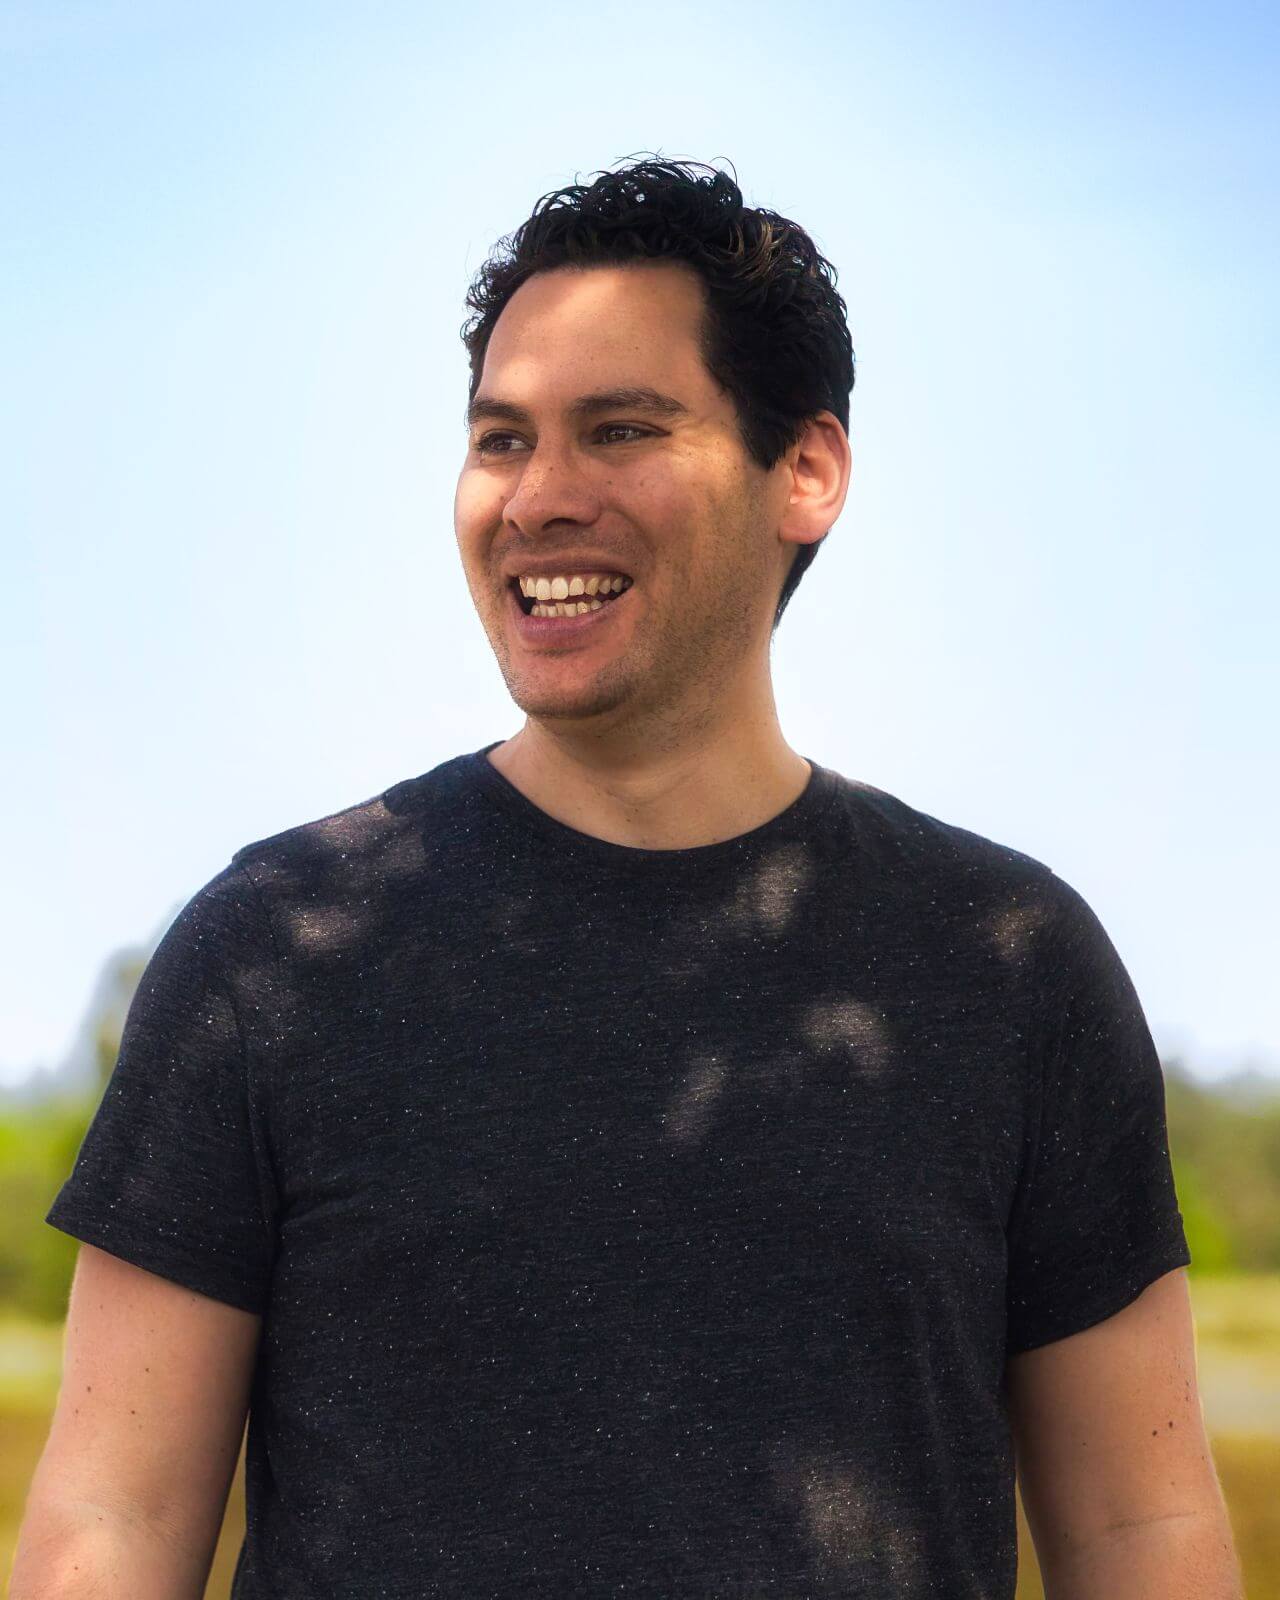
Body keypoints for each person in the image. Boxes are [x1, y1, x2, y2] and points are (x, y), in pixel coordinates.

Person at [12, 157, 1243, 1600]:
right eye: (499, 440)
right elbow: (110, 1527)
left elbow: (1138, 1532)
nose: (538, 500)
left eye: (620, 430)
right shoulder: (275, 954)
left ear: (809, 470)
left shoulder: (1011, 964)